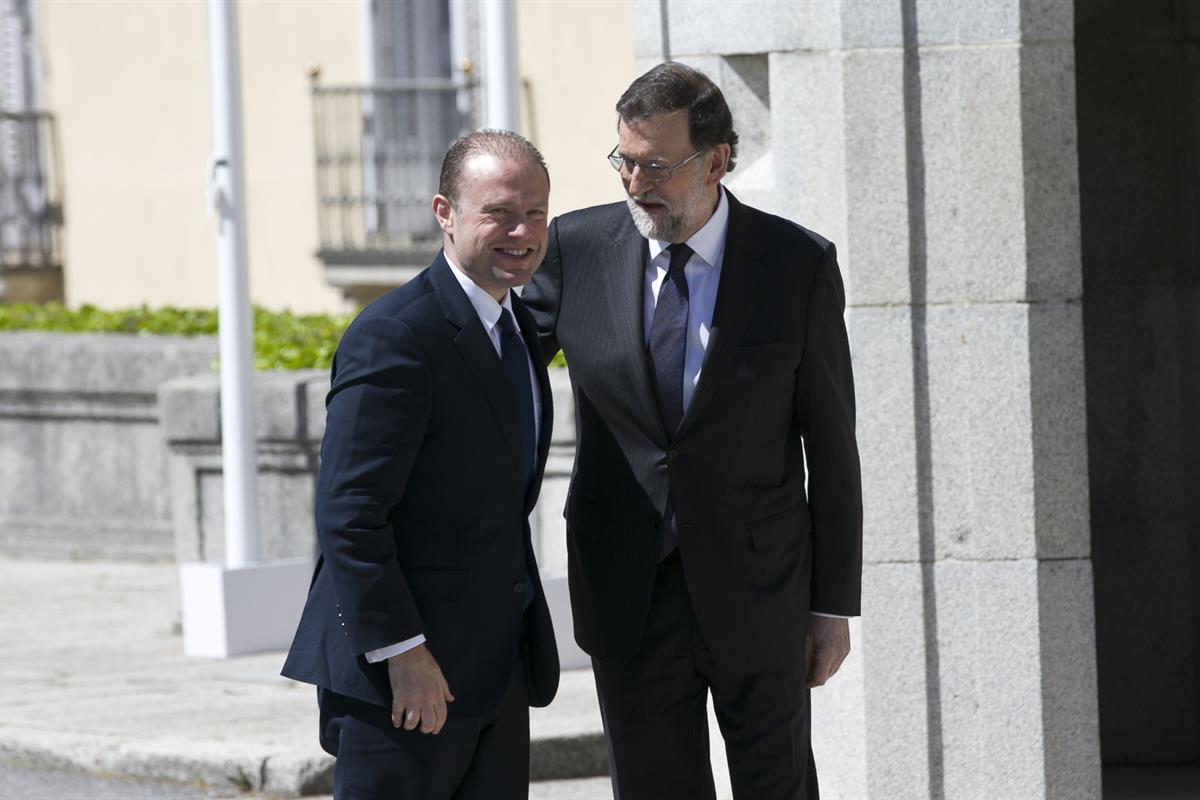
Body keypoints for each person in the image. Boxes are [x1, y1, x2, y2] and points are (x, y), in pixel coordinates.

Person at [521, 62, 863, 799]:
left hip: (760, 594)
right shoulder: (576, 249)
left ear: (715, 161)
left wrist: (831, 606)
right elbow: (489, 361)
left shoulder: (796, 264)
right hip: (627, 594)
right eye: (625, 160)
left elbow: (832, 448)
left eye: (657, 165)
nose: (635, 181)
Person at [282, 129, 559, 800]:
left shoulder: (518, 329)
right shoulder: (395, 335)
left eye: (536, 213)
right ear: (445, 213)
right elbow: (349, 513)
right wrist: (403, 653)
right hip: (404, 684)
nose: (520, 231)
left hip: (495, 675)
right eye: (498, 212)